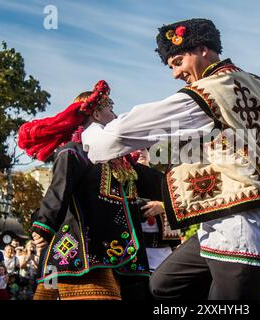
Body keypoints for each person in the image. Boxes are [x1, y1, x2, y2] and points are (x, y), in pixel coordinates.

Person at [82, 18, 260, 300]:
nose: (175, 74)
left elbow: (116, 136)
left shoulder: (199, 97)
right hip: (218, 220)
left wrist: (88, 131)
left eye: (178, 62)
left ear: (202, 50)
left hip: (246, 225)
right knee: (163, 285)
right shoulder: (258, 86)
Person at [17, 80, 162, 300]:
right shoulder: (74, 152)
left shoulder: (121, 160)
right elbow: (59, 189)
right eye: (110, 110)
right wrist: (43, 224)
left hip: (129, 257)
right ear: (95, 115)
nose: (115, 115)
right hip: (86, 252)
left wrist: (178, 190)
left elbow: (150, 187)